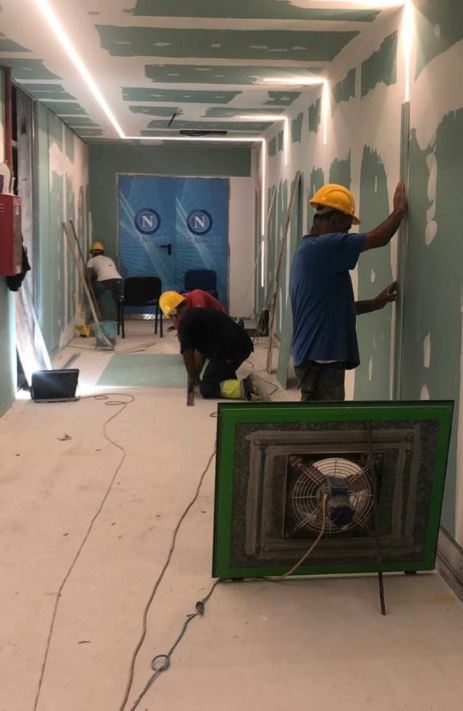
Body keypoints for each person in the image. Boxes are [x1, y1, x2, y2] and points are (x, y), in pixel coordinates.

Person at [290, 181, 407, 401]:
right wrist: (399, 211)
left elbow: (334, 309)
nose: (347, 234)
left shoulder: (308, 250)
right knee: (329, 420)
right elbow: (380, 238)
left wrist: (375, 303)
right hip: (322, 357)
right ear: (334, 221)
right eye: (346, 228)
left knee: (314, 418)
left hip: (313, 355)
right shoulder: (326, 246)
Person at [159, 292, 267, 400]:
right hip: (240, 346)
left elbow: (188, 355)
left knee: (207, 388)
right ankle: (233, 383)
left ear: (174, 314)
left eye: (171, 317)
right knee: (220, 380)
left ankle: (249, 386)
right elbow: (200, 353)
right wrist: (195, 377)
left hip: (232, 351)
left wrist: (193, 378)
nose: (173, 321)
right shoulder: (196, 315)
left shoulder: (185, 324)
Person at [86, 241, 123, 317]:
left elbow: (88, 274)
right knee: (119, 300)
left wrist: (89, 285)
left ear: (92, 253)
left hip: (103, 280)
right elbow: (113, 271)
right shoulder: (109, 259)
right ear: (102, 252)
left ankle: (96, 316)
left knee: (95, 297)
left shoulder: (91, 260)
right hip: (118, 280)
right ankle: (119, 318)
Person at [159, 289, 225, 330]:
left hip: (219, 319)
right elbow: (180, 329)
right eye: (172, 316)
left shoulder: (196, 296)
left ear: (184, 306)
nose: (175, 318)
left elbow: (202, 323)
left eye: (176, 315)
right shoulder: (178, 310)